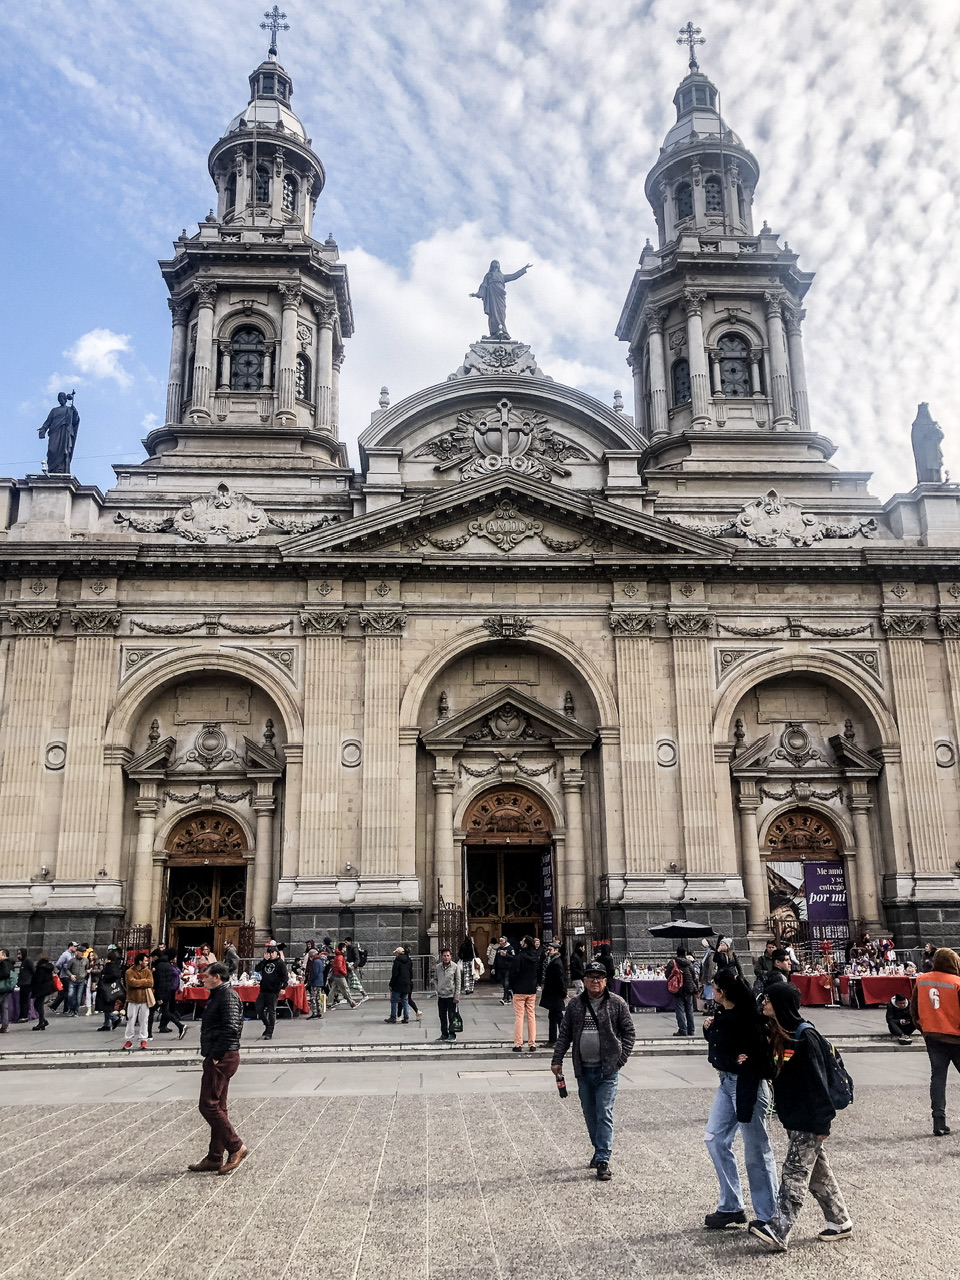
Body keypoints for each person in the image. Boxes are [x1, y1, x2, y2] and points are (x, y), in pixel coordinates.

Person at [750, 982, 852, 1252]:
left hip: (808, 1119)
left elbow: (817, 1084)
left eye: (769, 1000)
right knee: (819, 1175)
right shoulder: (782, 1034)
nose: (764, 1003)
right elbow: (776, 1072)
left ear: (781, 1004)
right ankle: (840, 1222)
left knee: (794, 1172)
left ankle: (778, 1228)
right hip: (794, 1116)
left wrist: (822, 1123)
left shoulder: (806, 1038)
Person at [702, 969, 778, 1230]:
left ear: (723, 993)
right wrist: (708, 1030)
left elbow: (763, 1056)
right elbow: (720, 1045)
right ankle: (732, 1205)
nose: (712, 990)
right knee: (714, 1138)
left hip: (747, 1085)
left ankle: (770, 1215)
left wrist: (744, 1061)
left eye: (714, 987)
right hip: (726, 1082)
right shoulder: (724, 1013)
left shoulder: (748, 1019)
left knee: (757, 1150)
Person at [551, 961, 636, 1181]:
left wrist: (621, 1059)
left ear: (606, 981)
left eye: (600, 977)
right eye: (591, 977)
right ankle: (599, 1149)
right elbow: (565, 1034)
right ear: (584, 980)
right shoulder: (575, 1005)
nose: (595, 981)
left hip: (607, 1070)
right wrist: (557, 1059)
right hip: (583, 1070)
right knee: (590, 1115)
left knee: (604, 1113)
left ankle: (603, 1159)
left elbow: (629, 1032)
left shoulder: (617, 1003)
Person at [188, 961, 248, 1176]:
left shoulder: (227, 996)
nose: (202, 979)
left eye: (205, 976)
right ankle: (215, 1156)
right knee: (218, 1106)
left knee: (208, 1105)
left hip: (222, 1055)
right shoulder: (219, 994)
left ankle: (236, 1146)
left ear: (217, 978)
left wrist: (216, 1055)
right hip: (219, 1054)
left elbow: (232, 1028)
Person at [910, 946, 960, 1136]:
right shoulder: (957, 982)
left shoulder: (921, 980)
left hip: (933, 1037)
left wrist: (924, 1029)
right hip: (956, 1038)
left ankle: (938, 1122)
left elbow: (914, 1011)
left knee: (938, 1078)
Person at [509, 936, 540, 1053]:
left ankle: (518, 1043)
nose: (521, 942)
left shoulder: (519, 957)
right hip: (531, 989)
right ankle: (532, 1043)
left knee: (519, 1017)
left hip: (519, 990)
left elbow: (513, 973)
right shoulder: (535, 957)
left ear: (525, 944)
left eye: (522, 941)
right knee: (531, 1016)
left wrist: (513, 986)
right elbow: (538, 971)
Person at [255, 943, 289, 1040]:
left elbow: (285, 976)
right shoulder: (266, 962)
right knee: (259, 1008)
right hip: (263, 989)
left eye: (272, 952)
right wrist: (264, 960)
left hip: (273, 990)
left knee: (271, 1011)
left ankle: (270, 1031)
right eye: (269, 952)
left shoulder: (280, 963)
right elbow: (257, 969)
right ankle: (267, 1024)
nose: (270, 954)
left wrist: (283, 987)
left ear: (276, 953)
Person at [122, 953, 155, 1051]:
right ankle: (129, 1040)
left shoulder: (148, 971)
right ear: (140, 962)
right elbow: (131, 983)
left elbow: (151, 983)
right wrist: (144, 982)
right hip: (133, 999)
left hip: (144, 1000)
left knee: (144, 1020)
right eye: (145, 960)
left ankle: (143, 1039)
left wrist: (139, 982)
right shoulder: (129, 972)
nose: (147, 962)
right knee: (131, 1020)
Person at [153, 948, 187, 1040]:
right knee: (166, 1010)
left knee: (164, 1010)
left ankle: (175, 1025)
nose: (176, 958)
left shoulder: (169, 965)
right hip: (168, 990)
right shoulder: (168, 966)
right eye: (175, 957)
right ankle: (174, 1025)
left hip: (167, 991)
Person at [665, 947, 699, 1037]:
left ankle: (682, 1030)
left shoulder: (673, 962)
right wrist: (696, 988)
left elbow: (667, 975)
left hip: (678, 989)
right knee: (689, 1010)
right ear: (685, 953)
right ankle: (691, 1030)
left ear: (677, 953)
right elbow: (694, 976)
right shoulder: (689, 963)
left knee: (680, 1010)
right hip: (689, 989)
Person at [539, 942, 568, 1046]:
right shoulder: (552, 960)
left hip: (555, 994)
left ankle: (560, 1039)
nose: (548, 951)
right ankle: (554, 1039)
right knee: (554, 1016)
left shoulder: (557, 963)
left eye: (550, 950)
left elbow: (560, 979)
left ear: (556, 950)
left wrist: (564, 992)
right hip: (553, 993)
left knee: (557, 1017)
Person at [435, 947, 462, 1042]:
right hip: (441, 996)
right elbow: (435, 978)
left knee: (451, 1016)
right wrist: (437, 988)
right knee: (442, 1016)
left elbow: (458, 982)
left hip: (451, 996)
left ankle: (452, 1034)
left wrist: (457, 995)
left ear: (451, 957)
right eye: (444, 956)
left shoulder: (455, 967)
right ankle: (444, 1034)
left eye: (448, 956)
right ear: (441, 957)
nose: (446, 957)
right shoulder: (438, 967)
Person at [94, 947, 125, 1031]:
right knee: (107, 1006)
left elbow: (115, 975)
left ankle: (114, 1018)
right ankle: (106, 1024)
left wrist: (105, 977)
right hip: (110, 989)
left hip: (107, 989)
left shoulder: (111, 966)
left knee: (106, 1007)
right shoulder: (114, 965)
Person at [384, 946, 411, 1022]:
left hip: (398, 984)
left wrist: (391, 984)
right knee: (405, 1000)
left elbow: (395, 974)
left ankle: (393, 1017)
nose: (395, 954)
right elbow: (410, 973)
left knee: (394, 1000)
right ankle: (406, 1017)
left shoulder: (397, 962)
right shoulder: (408, 961)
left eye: (396, 953)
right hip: (406, 984)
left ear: (398, 953)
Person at [30, 953, 55, 1030]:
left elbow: (38, 979)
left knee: (38, 1005)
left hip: (40, 989)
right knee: (38, 1004)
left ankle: (41, 1022)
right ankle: (43, 1021)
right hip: (46, 988)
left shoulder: (40, 968)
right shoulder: (48, 967)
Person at [343, 937, 368, 1001]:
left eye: (346, 942)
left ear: (350, 942)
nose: (345, 943)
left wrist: (354, 966)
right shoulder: (349, 948)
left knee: (353, 981)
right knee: (349, 982)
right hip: (350, 966)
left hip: (351, 967)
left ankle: (364, 994)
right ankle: (347, 997)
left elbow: (357, 959)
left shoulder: (353, 949)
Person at [493, 937, 515, 1004]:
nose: (500, 942)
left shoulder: (510, 948)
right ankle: (509, 996)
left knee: (506, 983)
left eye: (501, 941)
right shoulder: (499, 949)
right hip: (500, 968)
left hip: (508, 968)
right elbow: (496, 959)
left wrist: (506, 955)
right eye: (499, 941)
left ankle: (505, 998)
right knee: (503, 983)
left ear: (505, 941)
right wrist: (494, 968)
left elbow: (514, 957)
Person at [15, 948, 34, 1022]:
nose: (18, 956)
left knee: (24, 1001)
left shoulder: (28, 960)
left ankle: (24, 1016)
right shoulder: (24, 961)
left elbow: (33, 970)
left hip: (27, 984)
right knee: (22, 1000)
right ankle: (22, 1015)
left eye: (19, 954)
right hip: (23, 983)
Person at [305, 949, 325, 1019]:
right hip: (320, 982)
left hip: (315, 982)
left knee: (313, 998)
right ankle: (319, 1012)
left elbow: (315, 973)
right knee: (318, 998)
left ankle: (314, 1013)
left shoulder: (315, 962)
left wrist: (310, 981)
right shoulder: (320, 961)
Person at [0, 950, 14, 1032]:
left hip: (2, 987)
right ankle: (5, 1026)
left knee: (4, 1007)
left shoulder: (4, 963)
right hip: (7, 987)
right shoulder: (10, 963)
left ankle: (5, 1026)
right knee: (4, 1007)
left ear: (4, 955)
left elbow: (5, 974)